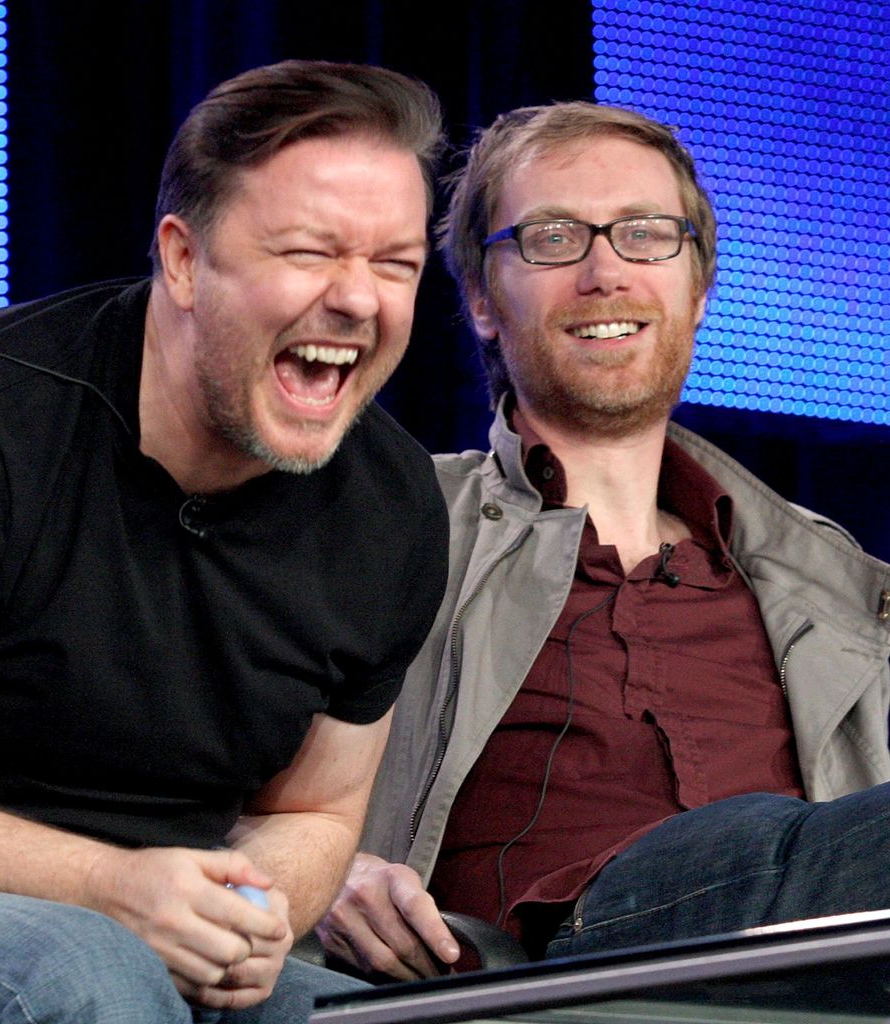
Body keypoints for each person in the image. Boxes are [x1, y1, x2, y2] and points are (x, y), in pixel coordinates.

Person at [0, 60, 450, 1022]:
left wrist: (252, 918)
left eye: (395, 265)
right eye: (310, 252)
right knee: (89, 974)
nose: (359, 300)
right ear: (182, 259)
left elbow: (313, 812)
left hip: (140, 932)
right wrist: (105, 887)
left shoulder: (392, 508)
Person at [316, 101, 890, 981]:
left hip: (820, 968)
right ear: (478, 297)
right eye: (552, 238)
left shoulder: (838, 586)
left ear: (698, 291)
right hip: (535, 965)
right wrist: (312, 873)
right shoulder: (387, 522)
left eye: (646, 235)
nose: (605, 272)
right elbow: (173, 772)